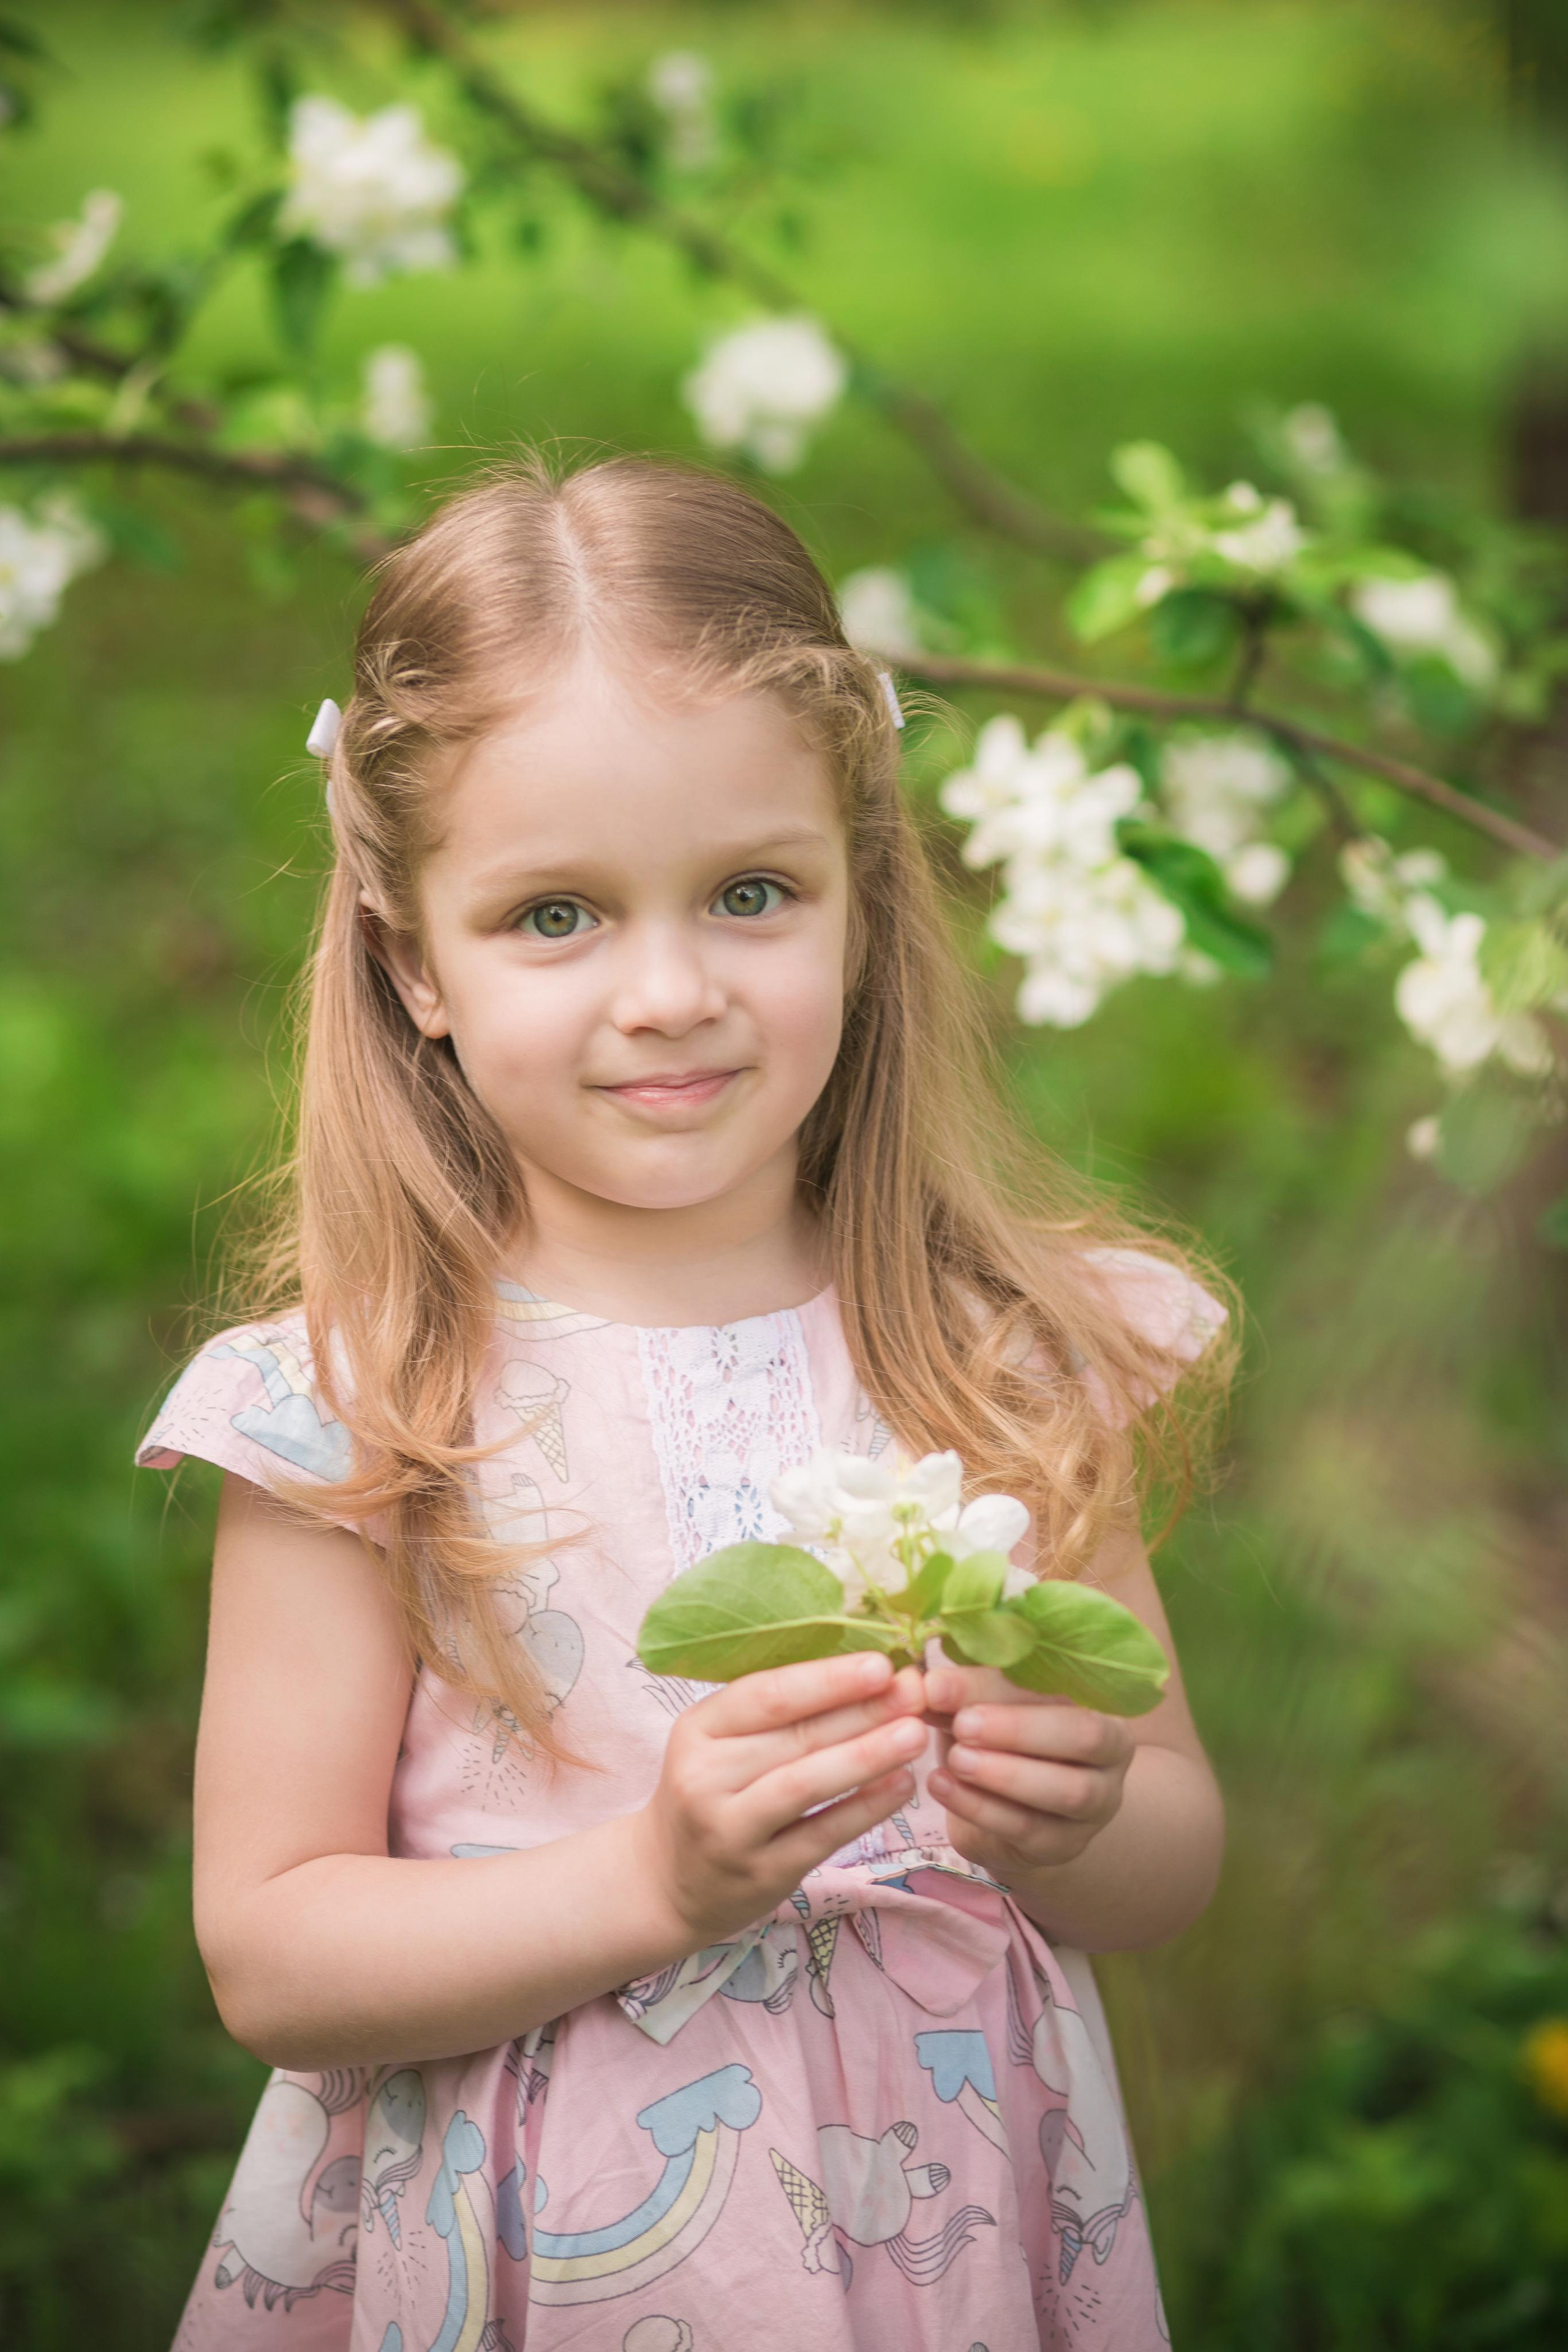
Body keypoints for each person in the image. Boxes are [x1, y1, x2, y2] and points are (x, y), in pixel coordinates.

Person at [136, 452, 1234, 2351]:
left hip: (951, 2230)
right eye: (556, 917)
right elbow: (275, 1949)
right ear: (417, 963)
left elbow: (1172, 1851)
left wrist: (1076, 1816)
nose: (668, 993)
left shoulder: (996, 1355)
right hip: (551, 2243)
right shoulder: (368, 1413)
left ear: (860, 901)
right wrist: (652, 1877)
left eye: (748, 894)